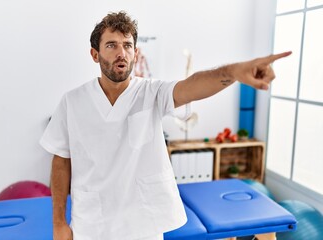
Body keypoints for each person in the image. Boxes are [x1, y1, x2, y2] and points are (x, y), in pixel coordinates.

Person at [40, 11, 291, 240]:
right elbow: (61, 160)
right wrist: (59, 223)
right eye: (111, 45)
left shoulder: (152, 92)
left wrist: (234, 72)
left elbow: (193, 86)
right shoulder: (72, 102)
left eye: (128, 46)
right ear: (95, 54)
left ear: (135, 53)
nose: (121, 53)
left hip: (142, 226)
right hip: (92, 224)